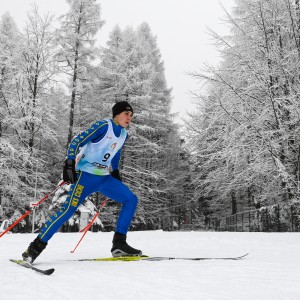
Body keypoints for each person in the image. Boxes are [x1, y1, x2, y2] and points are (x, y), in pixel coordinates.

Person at [22, 101, 142, 263]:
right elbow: (77, 141)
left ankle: (119, 244)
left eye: (131, 115)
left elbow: (116, 153)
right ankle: (33, 249)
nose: (129, 118)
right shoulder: (103, 126)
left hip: (104, 179)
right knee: (67, 211)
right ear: (117, 114)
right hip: (85, 177)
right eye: (126, 114)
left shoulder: (123, 134)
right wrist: (70, 163)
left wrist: (115, 171)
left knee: (130, 199)